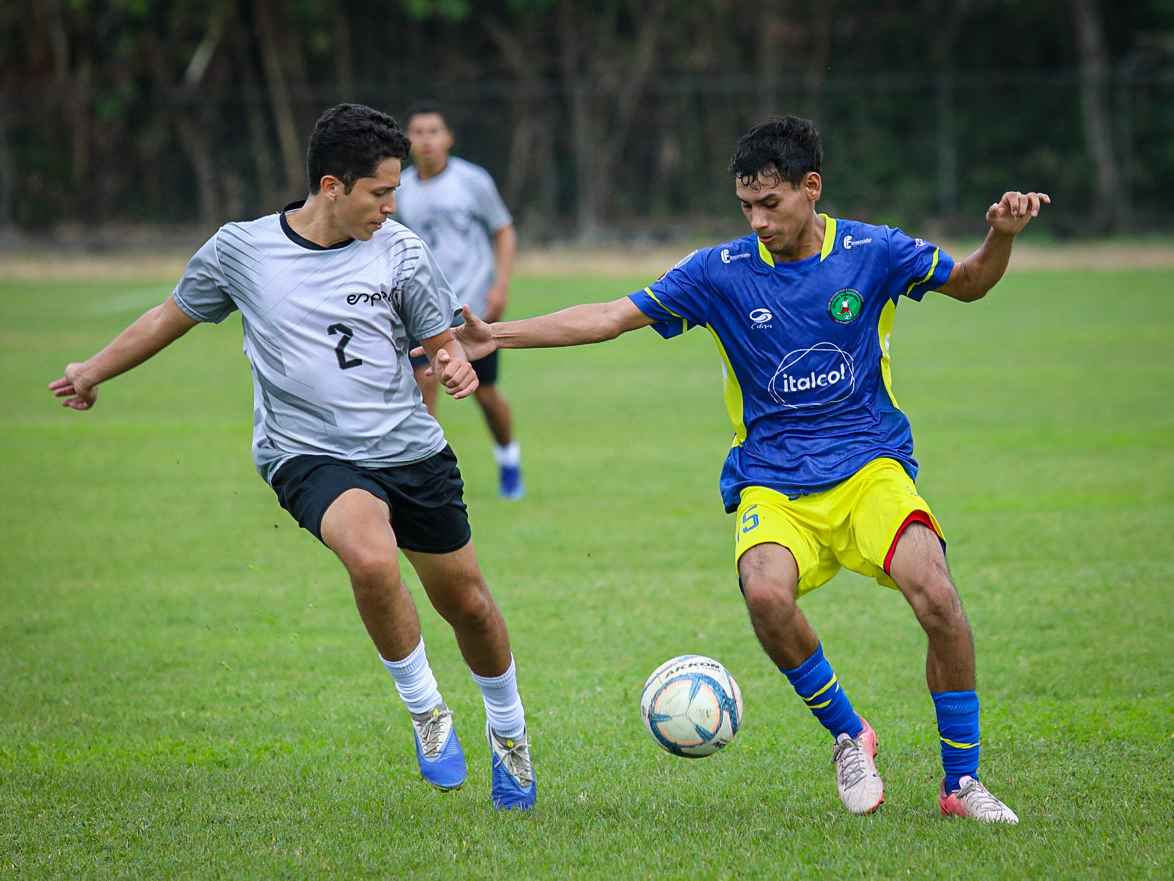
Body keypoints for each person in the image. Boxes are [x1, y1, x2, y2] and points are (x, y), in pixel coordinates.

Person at [444, 116, 1050, 823]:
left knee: (938, 597)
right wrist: (496, 334)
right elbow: (611, 315)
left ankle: (962, 783)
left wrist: (1001, 235)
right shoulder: (719, 273)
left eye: (772, 204)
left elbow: (972, 283)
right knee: (766, 595)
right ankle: (850, 735)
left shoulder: (872, 251)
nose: (757, 220)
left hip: (870, 467)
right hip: (773, 479)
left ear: (811, 188)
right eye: (746, 207)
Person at [49, 103, 536, 811]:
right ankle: (429, 713)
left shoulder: (400, 249)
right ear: (332, 186)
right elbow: (169, 316)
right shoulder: (242, 251)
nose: (392, 206)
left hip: (409, 448)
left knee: (470, 604)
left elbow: (441, 344)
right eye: (379, 192)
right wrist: (94, 369)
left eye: (396, 191)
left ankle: (511, 735)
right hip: (305, 452)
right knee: (370, 558)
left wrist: (455, 367)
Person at [394, 101, 525, 500]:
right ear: (408, 141)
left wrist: (500, 284)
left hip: (469, 310)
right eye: (417, 132)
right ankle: (423, 476)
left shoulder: (472, 181)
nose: (426, 140)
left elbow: (503, 230)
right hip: (421, 310)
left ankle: (508, 458)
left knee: (484, 395)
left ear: (447, 137)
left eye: (434, 131)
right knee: (424, 385)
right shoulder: (399, 187)